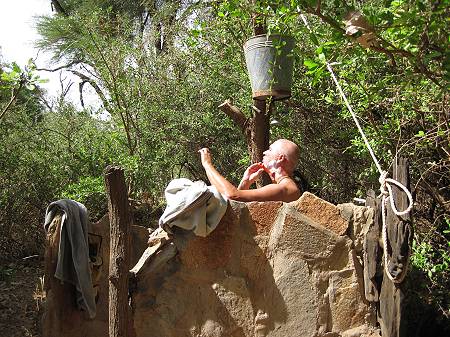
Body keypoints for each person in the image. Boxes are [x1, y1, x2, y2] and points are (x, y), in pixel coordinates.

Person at [199, 139, 301, 203]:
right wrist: (245, 182)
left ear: (280, 159)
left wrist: (207, 164)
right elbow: (237, 204)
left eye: (270, 150)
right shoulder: (284, 187)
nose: (264, 152)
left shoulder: (284, 188)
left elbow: (231, 195)